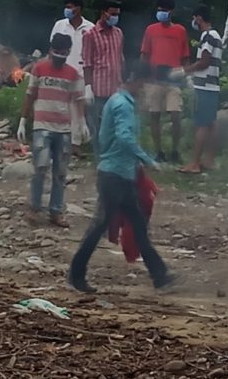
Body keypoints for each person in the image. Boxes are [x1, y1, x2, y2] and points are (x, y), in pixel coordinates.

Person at [67, 61, 175, 293]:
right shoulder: (123, 105)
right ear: (134, 79)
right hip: (115, 175)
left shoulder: (118, 101)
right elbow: (125, 137)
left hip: (119, 173)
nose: (143, 88)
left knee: (136, 225)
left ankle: (160, 276)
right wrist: (148, 160)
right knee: (102, 225)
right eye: (143, 83)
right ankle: (76, 273)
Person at [18, 33, 87, 227]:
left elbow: (78, 100)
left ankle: (55, 211)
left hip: (64, 128)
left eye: (64, 53)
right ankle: (34, 208)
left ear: (68, 52)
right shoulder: (39, 68)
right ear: (51, 50)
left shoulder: (73, 74)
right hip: (42, 126)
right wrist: (23, 120)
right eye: (57, 52)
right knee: (40, 168)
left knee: (60, 173)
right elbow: (30, 95)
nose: (60, 57)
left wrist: (82, 123)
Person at [139, 0, 190, 163]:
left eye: (164, 10)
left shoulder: (180, 31)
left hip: (173, 79)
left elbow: (185, 57)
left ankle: (175, 150)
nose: (161, 13)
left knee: (176, 115)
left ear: (171, 12)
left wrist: (186, 75)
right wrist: (142, 75)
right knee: (155, 115)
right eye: (159, 10)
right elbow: (144, 54)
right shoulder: (151, 30)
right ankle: (158, 151)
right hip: (154, 79)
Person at [181, 7, 224, 173]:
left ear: (199, 18)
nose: (194, 22)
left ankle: (194, 163)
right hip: (212, 85)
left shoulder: (208, 35)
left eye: (194, 18)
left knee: (201, 125)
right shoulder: (216, 35)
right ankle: (209, 160)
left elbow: (204, 62)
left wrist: (185, 70)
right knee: (211, 124)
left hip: (205, 85)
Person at [80, 0, 124, 142]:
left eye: (117, 14)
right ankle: (99, 154)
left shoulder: (118, 33)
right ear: (103, 13)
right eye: (112, 14)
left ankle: (111, 153)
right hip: (98, 89)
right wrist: (88, 87)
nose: (115, 17)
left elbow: (120, 59)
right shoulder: (90, 34)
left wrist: (122, 82)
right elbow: (87, 63)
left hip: (115, 89)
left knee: (114, 127)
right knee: (98, 128)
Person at [49, 0, 93, 71]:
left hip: (81, 71)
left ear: (78, 9)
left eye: (69, 7)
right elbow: (52, 48)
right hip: (62, 70)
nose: (66, 10)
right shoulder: (59, 24)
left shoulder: (91, 28)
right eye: (66, 7)